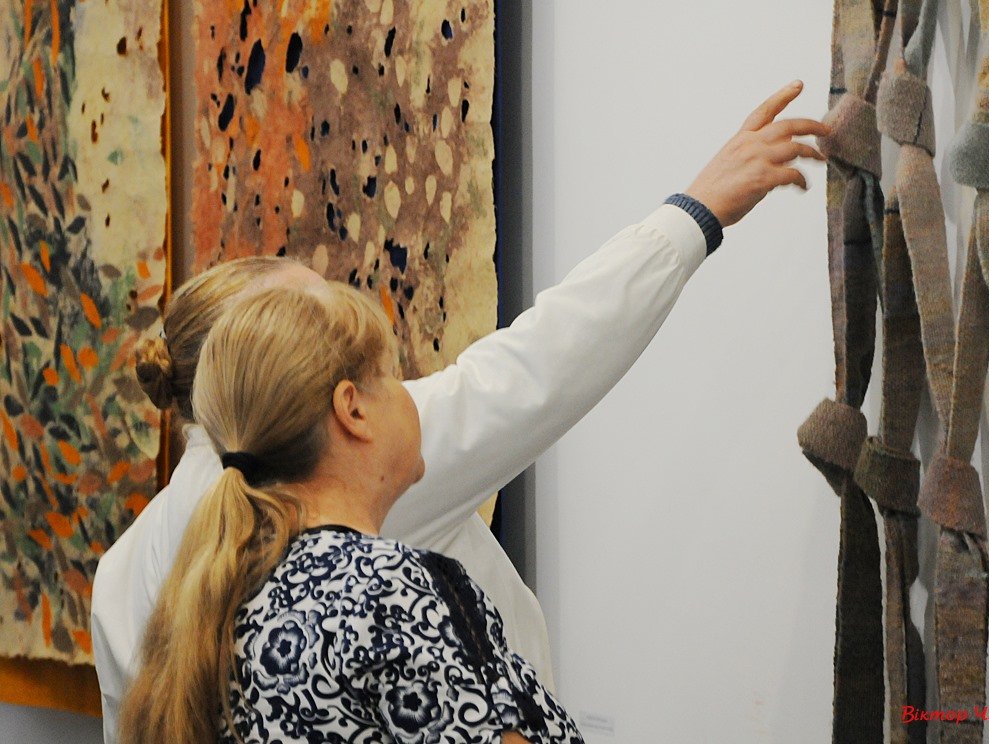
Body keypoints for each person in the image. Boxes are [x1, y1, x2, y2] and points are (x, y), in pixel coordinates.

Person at [91, 80, 829, 740]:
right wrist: (694, 214)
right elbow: (536, 366)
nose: (406, 384)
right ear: (338, 403)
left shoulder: (128, 575)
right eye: (325, 330)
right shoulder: (378, 549)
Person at [118, 282, 583, 742]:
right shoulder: (392, 591)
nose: (406, 392)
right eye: (390, 375)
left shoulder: (224, 593)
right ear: (353, 410)